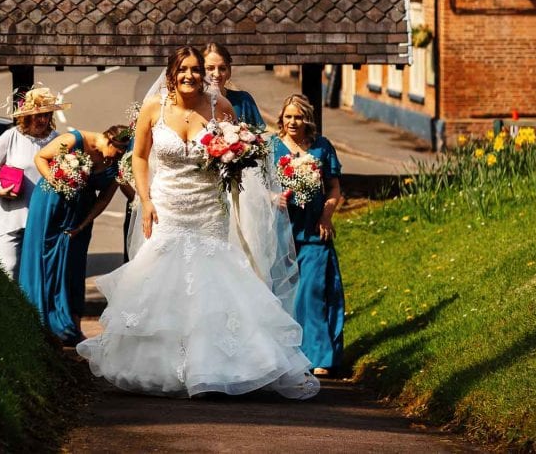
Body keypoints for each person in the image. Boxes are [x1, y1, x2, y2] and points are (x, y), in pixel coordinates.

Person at [77, 46, 319, 399]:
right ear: (172, 73)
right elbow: (140, 157)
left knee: (214, 279)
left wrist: (235, 155)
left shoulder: (219, 107)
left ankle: (218, 367)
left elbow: (240, 151)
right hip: (167, 206)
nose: (190, 76)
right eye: (183, 70)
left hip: (208, 208)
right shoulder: (153, 109)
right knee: (163, 279)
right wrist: (145, 202)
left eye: (196, 70)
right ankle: (164, 368)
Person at [19, 124, 128, 345]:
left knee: (73, 267)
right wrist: (57, 181)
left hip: (80, 215)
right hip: (51, 204)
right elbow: (41, 157)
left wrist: (84, 224)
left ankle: (71, 327)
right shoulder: (74, 140)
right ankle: (37, 320)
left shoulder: (117, 163)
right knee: (43, 258)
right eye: (117, 153)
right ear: (109, 141)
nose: (116, 158)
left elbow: (104, 199)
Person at [269, 94, 344, 376]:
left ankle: (318, 355)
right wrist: (272, 197)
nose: (292, 122)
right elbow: (258, 186)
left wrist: (326, 215)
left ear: (307, 119)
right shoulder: (272, 147)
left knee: (312, 292)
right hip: (282, 230)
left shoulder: (322, 147)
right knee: (283, 293)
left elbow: (334, 188)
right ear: (281, 119)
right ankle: (284, 355)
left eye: (298, 117)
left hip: (313, 231)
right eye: (288, 116)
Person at [0, 87, 67, 280]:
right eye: (38, 115)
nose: (42, 120)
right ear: (26, 116)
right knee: (8, 269)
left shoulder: (58, 140)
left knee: (37, 274)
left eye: (47, 115)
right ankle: (7, 310)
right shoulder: (12, 136)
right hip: (12, 216)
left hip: (44, 218)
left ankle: (33, 311)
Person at [202, 42, 264, 129]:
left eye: (222, 68)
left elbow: (260, 138)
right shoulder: (193, 102)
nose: (216, 74)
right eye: (210, 68)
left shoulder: (243, 101)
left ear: (229, 71)